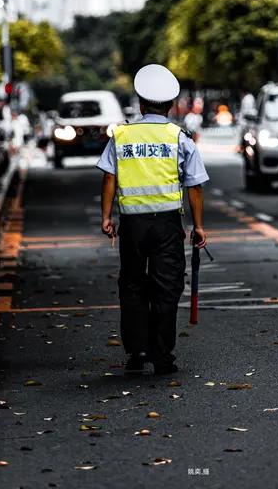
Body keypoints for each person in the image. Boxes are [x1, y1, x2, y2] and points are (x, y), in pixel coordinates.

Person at [97, 64, 209, 376]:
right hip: (167, 225)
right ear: (172, 105)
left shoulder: (121, 135)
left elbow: (109, 178)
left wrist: (107, 217)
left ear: (141, 103)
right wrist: (198, 226)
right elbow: (194, 185)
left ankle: (137, 353)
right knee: (167, 287)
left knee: (132, 286)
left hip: (132, 225)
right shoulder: (179, 138)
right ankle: (162, 356)